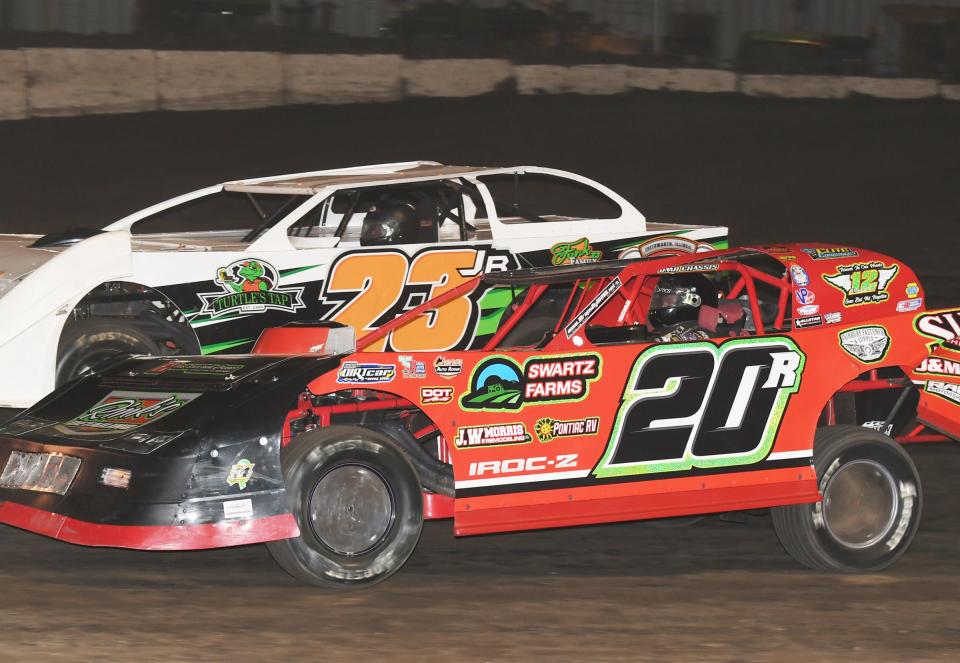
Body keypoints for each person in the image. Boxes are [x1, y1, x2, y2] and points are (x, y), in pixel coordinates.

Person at [648, 273, 719, 342]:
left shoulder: (702, 334)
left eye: (668, 300)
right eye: (660, 301)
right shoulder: (661, 330)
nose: (663, 304)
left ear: (694, 300)